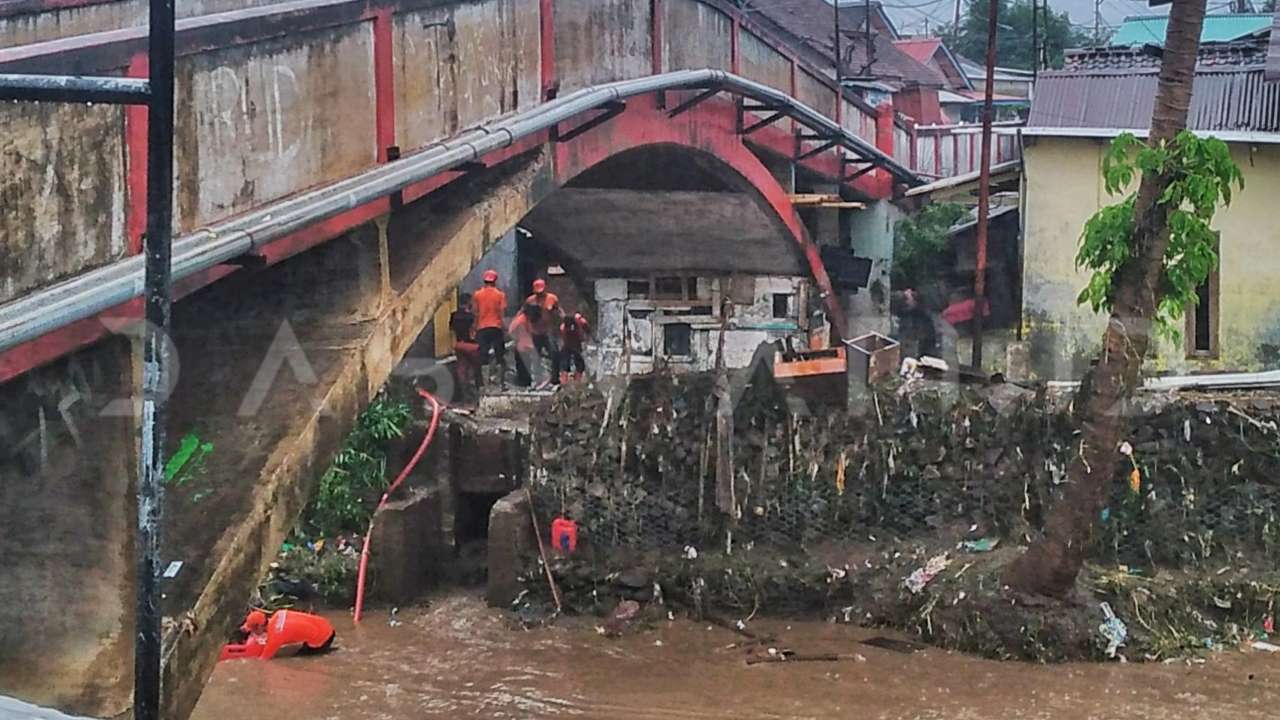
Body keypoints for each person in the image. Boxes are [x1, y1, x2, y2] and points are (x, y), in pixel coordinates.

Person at [230, 609, 336, 661]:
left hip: (323, 638)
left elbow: (263, 660)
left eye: (252, 630)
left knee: (296, 659)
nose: (252, 633)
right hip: (325, 624)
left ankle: (326, 650)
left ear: (259, 627)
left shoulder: (276, 636)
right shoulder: (279, 613)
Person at [471, 270, 508, 387]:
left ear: (484, 280)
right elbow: (502, 312)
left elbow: (475, 312)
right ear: (495, 281)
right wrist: (504, 327)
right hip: (496, 327)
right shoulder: (500, 295)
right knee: (499, 355)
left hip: (482, 328)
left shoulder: (477, 294)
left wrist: (474, 327)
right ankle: (500, 383)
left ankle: (484, 383)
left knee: (483, 356)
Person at [525, 279, 562, 382]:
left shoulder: (552, 299)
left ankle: (555, 377)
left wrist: (560, 324)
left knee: (554, 353)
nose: (539, 295)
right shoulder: (530, 301)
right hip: (535, 332)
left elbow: (558, 312)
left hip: (548, 331)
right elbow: (525, 315)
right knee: (536, 356)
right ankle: (538, 379)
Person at [450, 292, 480, 402]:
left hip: (459, 345)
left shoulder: (454, 315)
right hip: (471, 345)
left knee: (461, 370)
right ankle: (474, 396)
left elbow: (452, 330)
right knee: (473, 369)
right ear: (468, 303)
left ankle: (464, 396)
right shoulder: (471, 317)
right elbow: (474, 331)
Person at [509, 303, 548, 388]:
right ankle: (525, 385)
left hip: (523, 347)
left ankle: (527, 384)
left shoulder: (525, 319)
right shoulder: (521, 321)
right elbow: (514, 332)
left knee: (526, 368)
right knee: (524, 369)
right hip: (522, 348)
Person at [558, 312, 590, 384]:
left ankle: (577, 380)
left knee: (580, 363)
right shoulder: (563, 328)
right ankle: (564, 381)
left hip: (577, 343)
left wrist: (587, 336)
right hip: (568, 344)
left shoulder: (581, 321)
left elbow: (587, 329)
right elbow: (565, 339)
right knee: (565, 362)